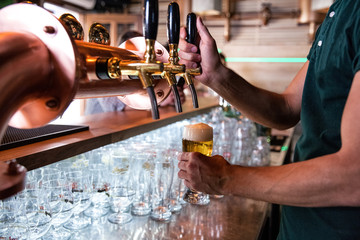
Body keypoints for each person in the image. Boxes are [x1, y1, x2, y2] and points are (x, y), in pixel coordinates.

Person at [177, 1, 360, 239]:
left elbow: (353, 176)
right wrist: (216, 77)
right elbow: (285, 109)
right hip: (299, 226)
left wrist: (225, 178)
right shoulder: (341, 9)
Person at [85, 31, 186, 115]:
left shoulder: (136, 74)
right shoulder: (108, 68)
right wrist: (160, 101)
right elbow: (113, 106)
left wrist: (172, 95)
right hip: (94, 128)